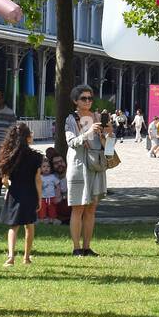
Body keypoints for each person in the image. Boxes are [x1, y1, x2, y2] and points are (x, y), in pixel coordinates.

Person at [64, 84, 107, 256]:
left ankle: (87, 247)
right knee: (78, 207)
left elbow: (110, 145)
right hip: (79, 166)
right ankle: (76, 248)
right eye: (84, 98)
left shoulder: (98, 116)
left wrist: (108, 134)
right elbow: (72, 142)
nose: (88, 101)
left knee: (91, 208)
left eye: (90, 98)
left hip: (96, 166)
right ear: (76, 101)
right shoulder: (71, 119)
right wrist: (89, 131)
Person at [0, 122, 42, 265]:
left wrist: (9, 188)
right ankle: (26, 257)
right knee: (29, 225)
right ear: (28, 137)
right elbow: (38, 179)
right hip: (30, 192)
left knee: (13, 226)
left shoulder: (8, 157)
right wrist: (39, 198)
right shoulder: (36, 157)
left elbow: (4, 180)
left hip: (14, 192)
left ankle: (10, 256)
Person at [38, 155, 62, 224]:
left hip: (52, 197)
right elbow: (37, 186)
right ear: (40, 168)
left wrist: (58, 195)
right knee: (42, 209)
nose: (46, 168)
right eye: (44, 166)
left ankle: (52, 219)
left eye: (48, 166)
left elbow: (57, 185)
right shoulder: (40, 177)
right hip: (42, 198)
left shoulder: (53, 177)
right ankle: (42, 220)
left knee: (52, 209)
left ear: (51, 168)